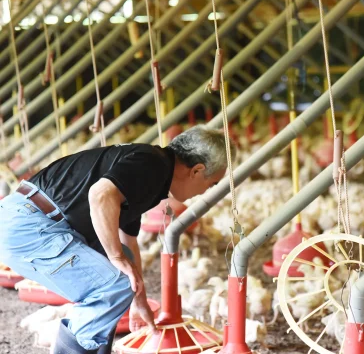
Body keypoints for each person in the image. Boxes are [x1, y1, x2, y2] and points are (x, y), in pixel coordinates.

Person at [0, 125, 236, 354]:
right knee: (114, 285)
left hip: (34, 220)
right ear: (196, 170)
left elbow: (129, 243)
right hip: (31, 225)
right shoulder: (151, 164)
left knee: (125, 270)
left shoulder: (153, 172)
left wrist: (139, 301)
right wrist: (116, 257)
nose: (207, 190)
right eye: (211, 183)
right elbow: (100, 194)